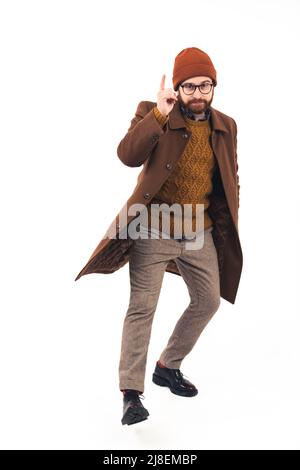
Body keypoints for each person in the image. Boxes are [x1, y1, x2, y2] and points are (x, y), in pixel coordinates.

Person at [119, 47, 242, 426]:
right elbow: (127, 155)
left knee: (208, 300)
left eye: (204, 85)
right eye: (189, 86)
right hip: (154, 227)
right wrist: (158, 112)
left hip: (197, 230)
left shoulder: (226, 124)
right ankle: (131, 395)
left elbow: (230, 174)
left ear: (213, 86)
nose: (197, 93)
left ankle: (167, 366)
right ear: (178, 87)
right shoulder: (153, 114)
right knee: (143, 308)